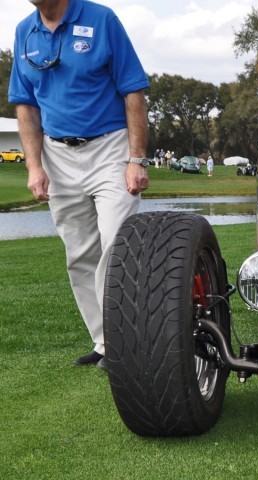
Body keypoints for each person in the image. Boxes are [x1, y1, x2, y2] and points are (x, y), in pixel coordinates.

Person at [9, 0, 150, 371]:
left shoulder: (101, 20)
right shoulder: (25, 31)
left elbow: (133, 91)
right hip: (57, 153)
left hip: (109, 148)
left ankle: (127, 340)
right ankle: (105, 344)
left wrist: (136, 159)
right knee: (80, 255)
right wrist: (34, 166)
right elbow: (25, 105)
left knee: (117, 244)